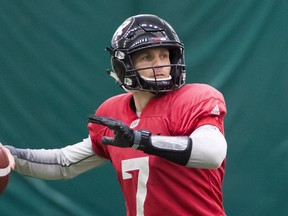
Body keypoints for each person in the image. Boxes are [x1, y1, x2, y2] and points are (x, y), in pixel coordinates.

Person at [3, 14, 228, 216]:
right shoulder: (114, 113)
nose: (160, 64)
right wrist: (9, 155)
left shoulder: (196, 98)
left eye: (163, 54)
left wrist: (140, 140)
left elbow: (212, 153)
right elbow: (65, 164)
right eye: (147, 57)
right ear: (124, 65)